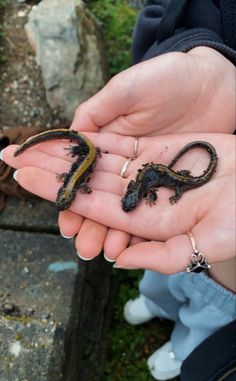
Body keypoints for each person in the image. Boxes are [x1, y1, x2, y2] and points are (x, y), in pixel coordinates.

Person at [1, 1, 236, 380]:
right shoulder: (140, 189)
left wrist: (172, 193)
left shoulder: (151, 189)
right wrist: (214, 58)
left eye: (133, 199)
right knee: (164, 264)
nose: (132, 201)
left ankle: (187, 343)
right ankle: (158, 301)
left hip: (206, 218)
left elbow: (153, 185)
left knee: (206, 284)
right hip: (188, 160)